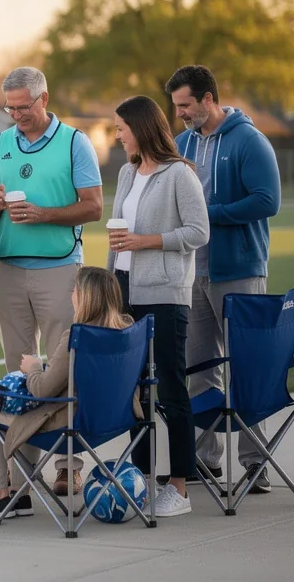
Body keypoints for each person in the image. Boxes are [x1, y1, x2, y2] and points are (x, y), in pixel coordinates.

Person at [0, 66, 103, 496]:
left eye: (24, 107)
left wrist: (46, 214)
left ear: (44, 99)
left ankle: (70, 466)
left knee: (64, 368)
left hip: (59, 268)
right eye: (10, 108)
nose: (17, 115)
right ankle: (20, 467)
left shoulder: (75, 142)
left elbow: (94, 207)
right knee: (18, 370)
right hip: (8, 268)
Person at [166, 64, 281, 494]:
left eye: (185, 105)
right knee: (199, 370)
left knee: (246, 371)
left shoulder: (249, 140)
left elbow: (268, 201)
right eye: (176, 106)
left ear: (208, 99)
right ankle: (204, 460)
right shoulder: (181, 144)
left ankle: (256, 465)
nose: (179, 113)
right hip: (190, 273)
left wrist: (207, 219)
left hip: (239, 271)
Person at [105, 94, 209, 518]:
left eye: (120, 128)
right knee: (134, 393)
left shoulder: (179, 175)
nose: (116, 134)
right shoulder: (129, 174)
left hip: (165, 295)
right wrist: (111, 288)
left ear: (140, 128)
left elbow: (198, 232)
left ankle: (180, 489)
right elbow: (117, 234)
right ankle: (142, 479)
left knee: (170, 390)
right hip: (126, 292)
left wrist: (146, 241)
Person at [0, 266, 136, 518]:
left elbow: (41, 390)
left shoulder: (75, 337)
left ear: (86, 297)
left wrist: (33, 368)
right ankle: (20, 495)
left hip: (69, 425)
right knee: (28, 404)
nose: (71, 295)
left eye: (75, 290)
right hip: (112, 421)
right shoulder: (127, 330)